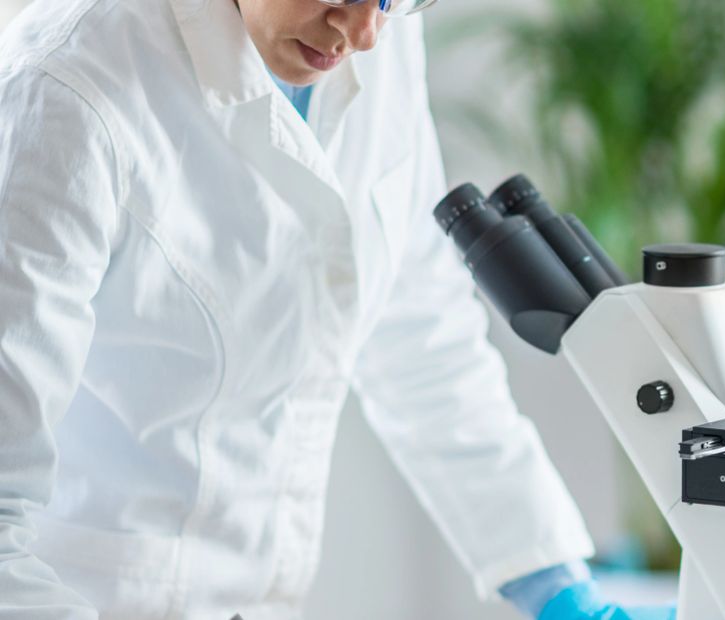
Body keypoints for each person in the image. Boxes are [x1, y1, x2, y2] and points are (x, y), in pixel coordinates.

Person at [0, 0, 676, 617]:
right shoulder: (63, 91)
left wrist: (554, 584)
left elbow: (420, 332)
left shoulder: (376, 42)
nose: (363, 32)